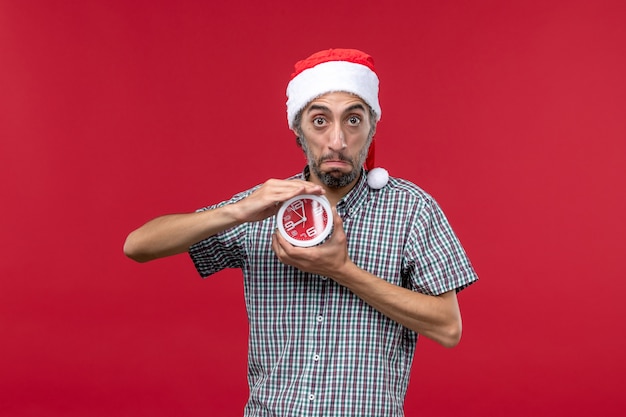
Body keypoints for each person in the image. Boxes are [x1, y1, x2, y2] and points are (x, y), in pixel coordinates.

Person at [124, 48, 478, 417]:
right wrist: (236, 211)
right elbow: (138, 245)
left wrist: (342, 271)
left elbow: (448, 328)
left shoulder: (411, 209)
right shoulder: (261, 207)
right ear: (298, 128)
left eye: (353, 120)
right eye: (320, 121)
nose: (337, 141)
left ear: (372, 127)